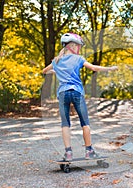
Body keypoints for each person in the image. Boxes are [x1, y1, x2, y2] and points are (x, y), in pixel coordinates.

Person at [43, 33, 118, 161]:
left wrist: (56, 71)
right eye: (78, 46)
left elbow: (44, 71)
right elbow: (94, 68)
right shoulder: (78, 59)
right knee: (85, 123)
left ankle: (68, 153)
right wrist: (110, 68)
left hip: (62, 94)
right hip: (76, 92)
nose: (79, 49)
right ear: (72, 46)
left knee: (65, 124)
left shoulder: (56, 60)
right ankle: (89, 151)